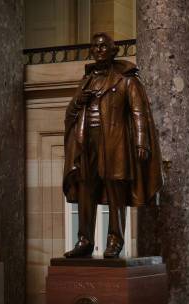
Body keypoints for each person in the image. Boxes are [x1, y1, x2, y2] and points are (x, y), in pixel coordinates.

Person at [63, 32, 163, 258]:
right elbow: (69, 114)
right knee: (87, 190)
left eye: (103, 46)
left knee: (115, 191)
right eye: (95, 47)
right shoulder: (86, 81)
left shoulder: (126, 78)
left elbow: (139, 112)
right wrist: (81, 100)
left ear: (113, 50)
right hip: (86, 142)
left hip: (114, 142)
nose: (98, 50)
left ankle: (115, 241)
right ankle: (85, 241)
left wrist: (141, 141)